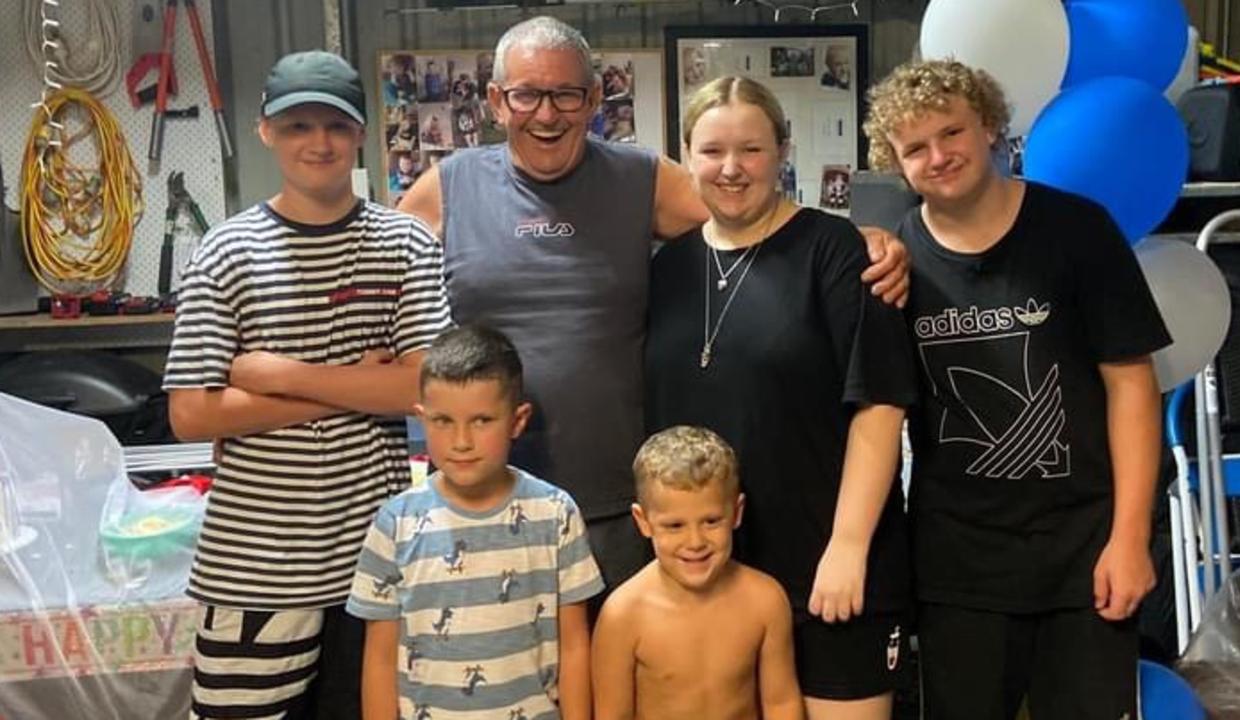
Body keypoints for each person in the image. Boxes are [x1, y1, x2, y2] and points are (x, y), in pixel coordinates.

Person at [397, 16, 911, 600]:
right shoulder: (445, 189)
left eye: (566, 94)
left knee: (620, 684)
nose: (546, 114)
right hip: (482, 500)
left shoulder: (640, 179)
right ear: (494, 100)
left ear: (593, 99)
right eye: (526, 94)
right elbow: (383, 297)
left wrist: (860, 239)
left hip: (622, 512)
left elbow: (748, 207)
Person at [864, 59, 1171, 720]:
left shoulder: (1077, 230)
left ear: (991, 128)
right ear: (892, 161)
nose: (938, 156)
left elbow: (1131, 388)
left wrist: (1128, 538)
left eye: (952, 133)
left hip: (1085, 553)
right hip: (958, 566)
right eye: (914, 147)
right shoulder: (894, 261)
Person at [162, 50, 451, 719]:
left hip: (375, 560)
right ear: (266, 130)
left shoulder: (405, 243)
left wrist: (275, 376)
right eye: (298, 126)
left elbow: (425, 391)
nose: (317, 142)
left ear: (359, 133)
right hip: (253, 568)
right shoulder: (226, 251)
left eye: (334, 125)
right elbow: (192, 415)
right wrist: (359, 381)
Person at [645, 76, 918, 720]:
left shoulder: (842, 254)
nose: (731, 169)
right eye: (712, 151)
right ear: (686, 156)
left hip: (827, 566)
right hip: (712, 568)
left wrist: (848, 547)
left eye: (752, 150)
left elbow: (879, 407)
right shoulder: (668, 269)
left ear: (783, 152)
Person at [347, 325, 603, 720]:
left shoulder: (556, 514)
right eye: (443, 421)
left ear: (517, 421)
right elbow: (380, 659)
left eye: (481, 420)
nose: (461, 441)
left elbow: (574, 646)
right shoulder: (394, 523)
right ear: (422, 418)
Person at [593, 425, 804, 720]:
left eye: (711, 521)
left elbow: (781, 704)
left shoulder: (766, 600)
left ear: (737, 511)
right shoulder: (622, 615)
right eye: (674, 525)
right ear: (643, 521)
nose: (695, 542)